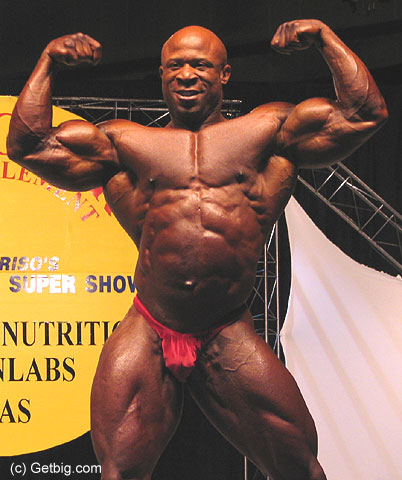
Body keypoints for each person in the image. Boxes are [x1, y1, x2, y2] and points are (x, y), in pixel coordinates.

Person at [7, 19, 387, 480]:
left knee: (300, 468)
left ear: (224, 74)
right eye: (175, 66)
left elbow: (363, 114)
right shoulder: (125, 144)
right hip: (150, 327)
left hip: (226, 330)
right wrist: (48, 61)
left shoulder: (266, 134)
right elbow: (28, 145)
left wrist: (325, 39)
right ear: (161, 74)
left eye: (200, 65)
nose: (186, 75)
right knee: (118, 473)